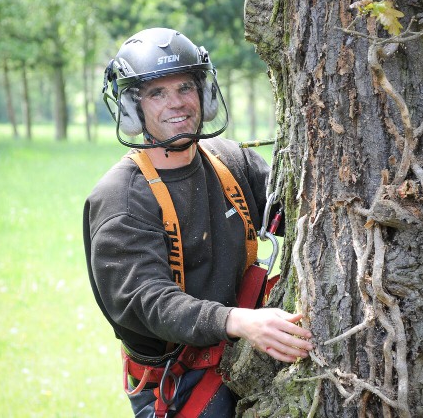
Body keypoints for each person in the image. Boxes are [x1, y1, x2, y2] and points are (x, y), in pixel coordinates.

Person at [84, 27, 313, 418]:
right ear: (131, 110)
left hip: (246, 350)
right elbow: (150, 302)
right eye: (157, 93)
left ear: (204, 95)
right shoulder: (122, 200)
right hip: (179, 381)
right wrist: (238, 320)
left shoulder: (230, 163)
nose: (177, 104)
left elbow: (295, 217)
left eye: (185, 88)